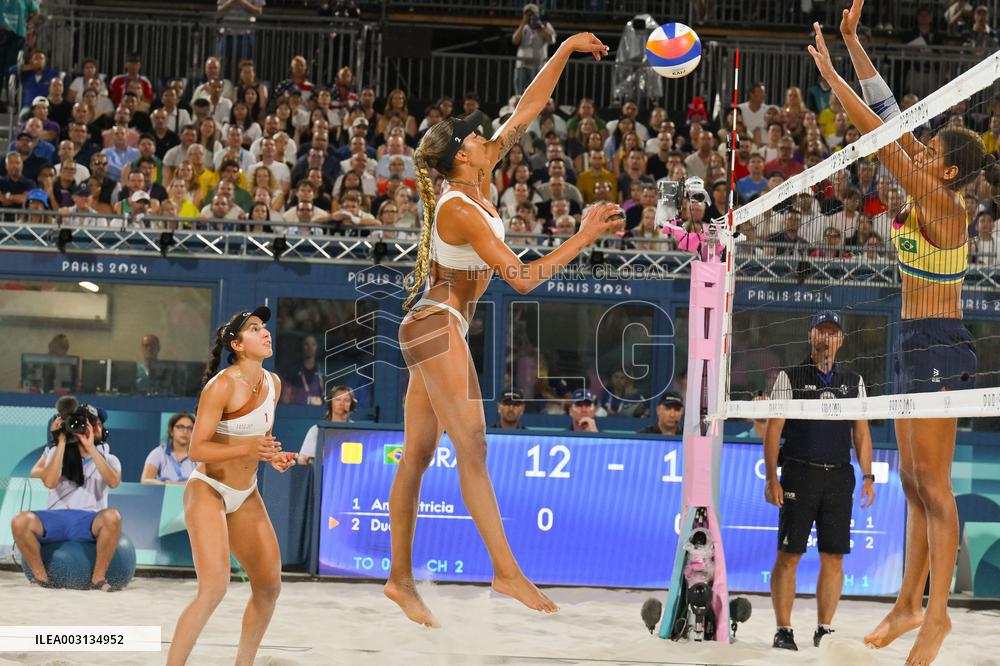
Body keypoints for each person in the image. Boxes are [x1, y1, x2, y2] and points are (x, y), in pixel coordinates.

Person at [387, 31, 619, 628]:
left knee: (417, 456)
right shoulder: (459, 207)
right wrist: (582, 237)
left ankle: (398, 580)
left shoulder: (480, 172)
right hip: (436, 323)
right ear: (461, 155)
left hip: (432, 325)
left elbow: (530, 106)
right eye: (472, 134)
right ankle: (506, 571)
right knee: (473, 446)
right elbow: (522, 279)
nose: (483, 134)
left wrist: (565, 49)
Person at [811, 5, 984, 663]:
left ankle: (937, 615)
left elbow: (883, 139)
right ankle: (908, 603)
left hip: (940, 340)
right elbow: (892, 115)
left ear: (947, 171)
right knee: (912, 479)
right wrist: (852, 43)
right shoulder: (932, 179)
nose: (922, 148)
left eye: (932, 151)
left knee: (934, 485)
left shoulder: (945, 203)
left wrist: (833, 80)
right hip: (910, 339)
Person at [166, 307, 295, 666]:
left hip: (245, 492)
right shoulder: (221, 385)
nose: (265, 332)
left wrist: (272, 456)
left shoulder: (274, 383)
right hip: (208, 488)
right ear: (237, 345)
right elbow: (196, 449)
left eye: (264, 327)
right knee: (213, 589)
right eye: (254, 329)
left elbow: (260, 438)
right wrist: (248, 449)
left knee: (269, 587)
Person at [764, 310, 875, 651]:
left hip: (839, 476)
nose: (827, 337)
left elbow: (861, 432)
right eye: (821, 331)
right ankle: (784, 630)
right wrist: (771, 479)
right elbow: (773, 430)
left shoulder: (853, 381)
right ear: (810, 336)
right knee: (789, 554)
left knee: (834, 556)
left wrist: (868, 475)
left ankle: (824, 629)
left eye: (833, 332)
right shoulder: (790, 377)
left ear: (841, 340)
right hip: (800, 472)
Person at [12, 404, 123, 591]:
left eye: (94, 424)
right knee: (20, 521)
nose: (89, 428)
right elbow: (49, 482)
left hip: (90, 519)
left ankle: (98, 579)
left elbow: (113, 482)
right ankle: (41, 578)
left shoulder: (110, 459)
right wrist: (61, 441)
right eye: (80, 424)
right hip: (56, 517)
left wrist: (91, 447)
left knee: (113, 517)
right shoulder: (56, 453)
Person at [296, 385, 357, 464]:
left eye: (346, 400)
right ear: (330, 403)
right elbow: (301, 459)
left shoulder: (357, 431)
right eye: (338, 399)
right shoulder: (317, 430)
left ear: (352, 404)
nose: (342, 403)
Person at [512, 4, 556, 96]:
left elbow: (551, 40)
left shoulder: (545, 25)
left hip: (538, 67)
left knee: (535, 94)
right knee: (519, 95)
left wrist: (540, 27)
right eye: (528, 14)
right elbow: (515, 40)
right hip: (522, 65)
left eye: (533, 14)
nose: (530, 17)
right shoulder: (523, 27)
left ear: (538, 14)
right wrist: (523, 23)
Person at [141, 412, 197, 484]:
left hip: (191, 491)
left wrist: (174, 485)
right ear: (171, 431)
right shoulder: (159, 453)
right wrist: (165, 485)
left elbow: (205, 483)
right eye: (180, 427)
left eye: (190, 428)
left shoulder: (199, 457)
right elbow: (145, 480)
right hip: (164, 491)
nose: (185, 431)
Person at [281, 334, 324, 405]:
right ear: (301, 347)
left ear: (317, 348)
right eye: (306, 344)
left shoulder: (322, 371)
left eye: (313, 344)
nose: (310, 347)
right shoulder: (293, 371)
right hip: (297, 409)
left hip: (317, 410)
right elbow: (286, 398)